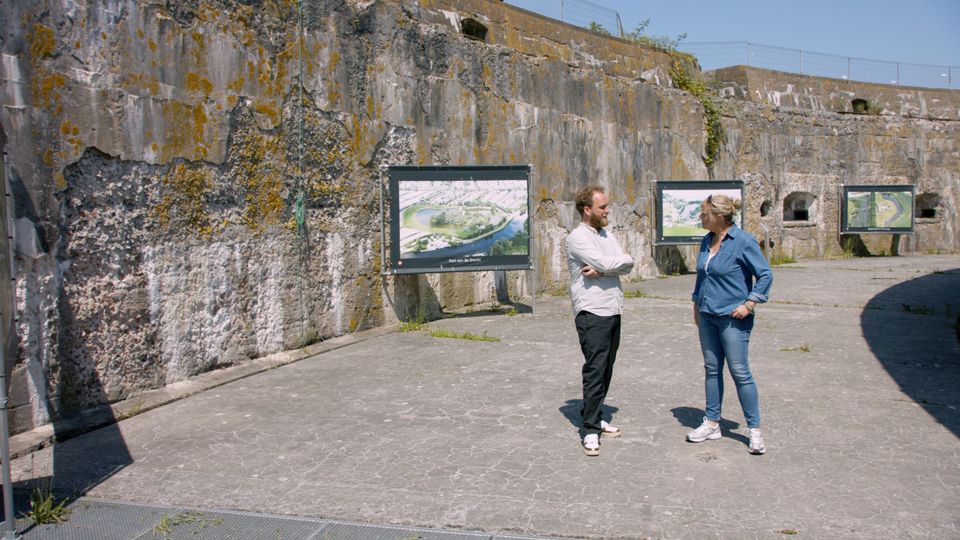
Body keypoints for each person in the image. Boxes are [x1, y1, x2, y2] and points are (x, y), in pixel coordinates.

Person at [688, 194, 773, 454]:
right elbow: (702, 278)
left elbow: (765, 275)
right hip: (707, 315)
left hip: (733, 319)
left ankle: (754, 430)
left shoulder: (743, 241)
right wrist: (695, 305)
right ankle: (712, 423)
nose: (700, 217)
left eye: (704, 213)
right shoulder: (706, 241)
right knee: (712, 369)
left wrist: (749, 304)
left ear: (719, 216)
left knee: (740, 372)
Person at [566, 186, 635, 456]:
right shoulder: (577, 238)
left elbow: (628, 262)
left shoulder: (606, 234)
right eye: (603, 207)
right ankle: (591, 429)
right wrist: (610, 265)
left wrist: (605, 268)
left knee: (607, 367)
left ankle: (594, 411)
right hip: (592, 311)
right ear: (587, 209)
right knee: (595, 369)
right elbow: (606, 260)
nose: (607, 211)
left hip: (613, 308)